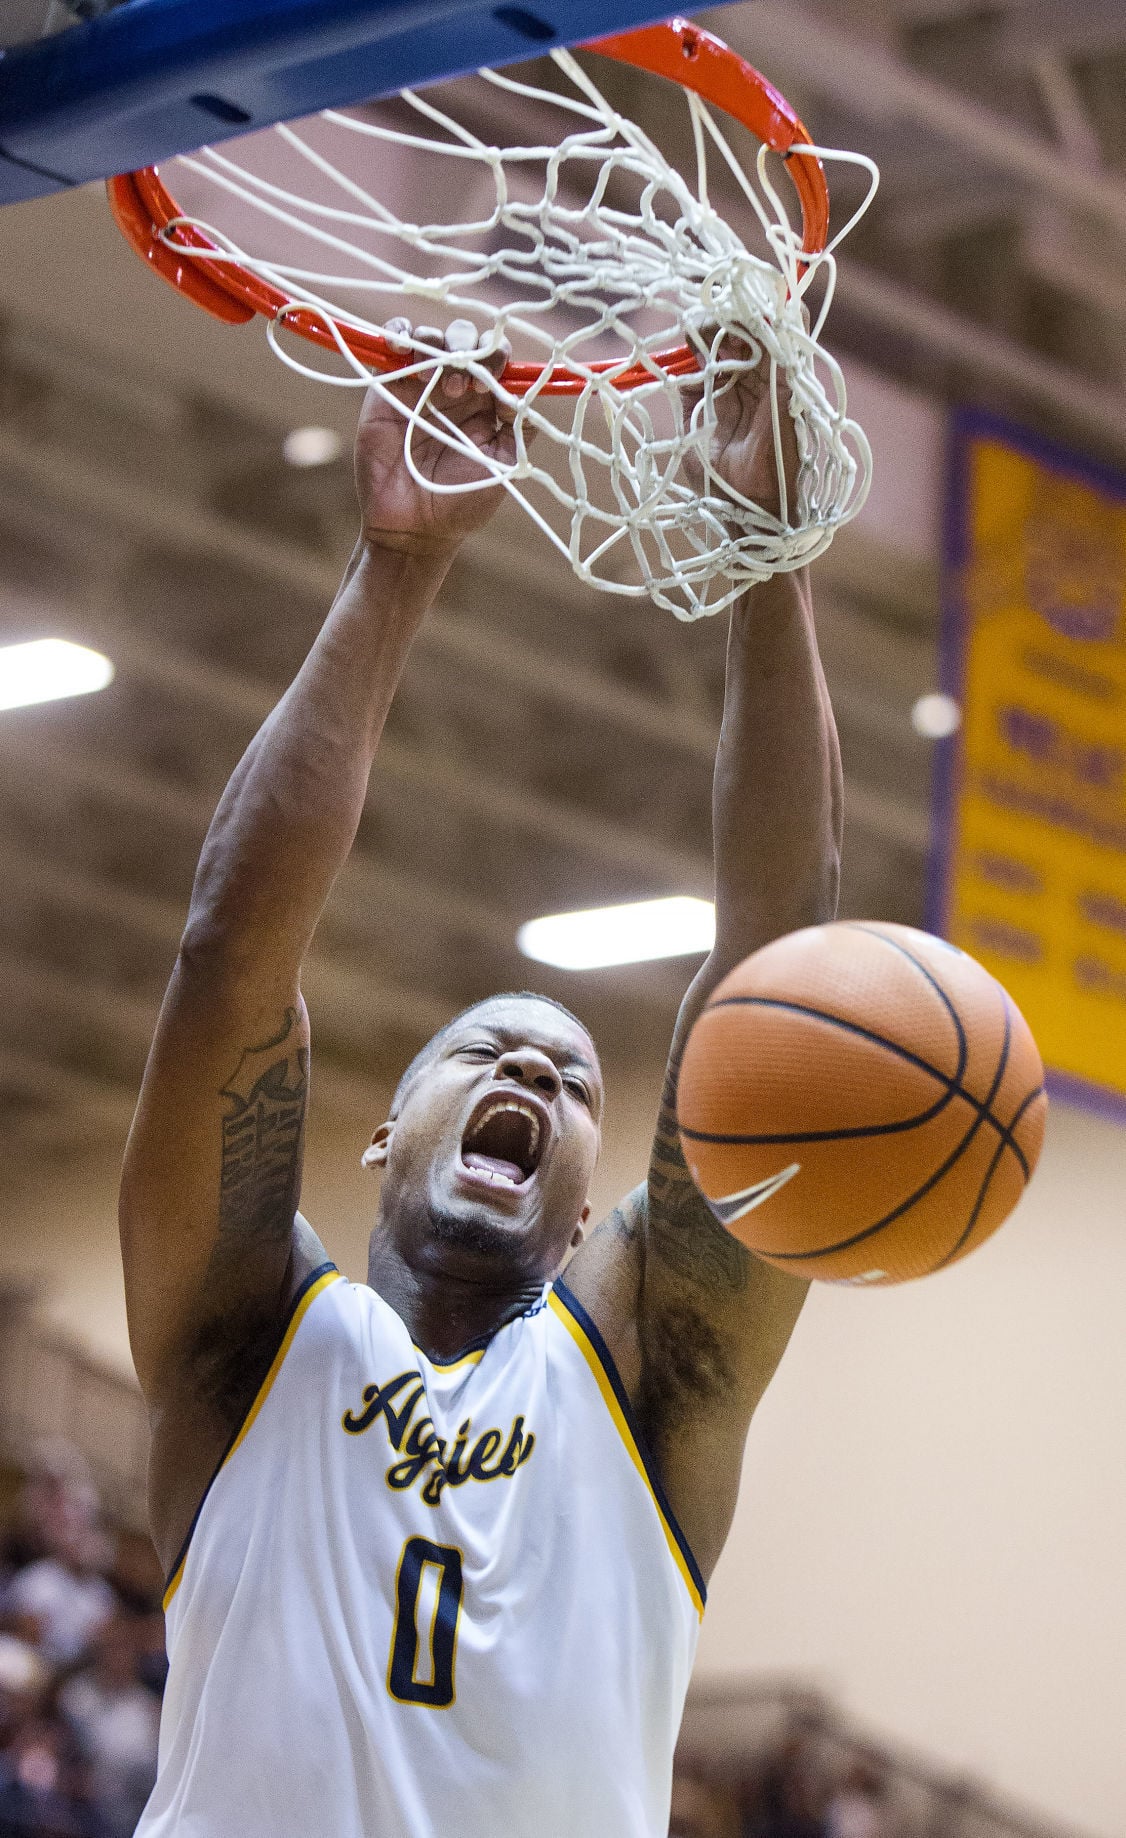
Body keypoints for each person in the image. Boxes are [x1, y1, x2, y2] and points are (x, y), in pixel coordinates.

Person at [120, 321, 843, 1837]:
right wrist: (396, 565)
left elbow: (774, 973)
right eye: (482, 1050)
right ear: (383, 1134)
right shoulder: (246, 1340)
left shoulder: (641, 1375)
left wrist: (765, 558)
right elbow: (228, 953)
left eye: (576, 1084)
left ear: (590, 1217)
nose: (530, 1062)